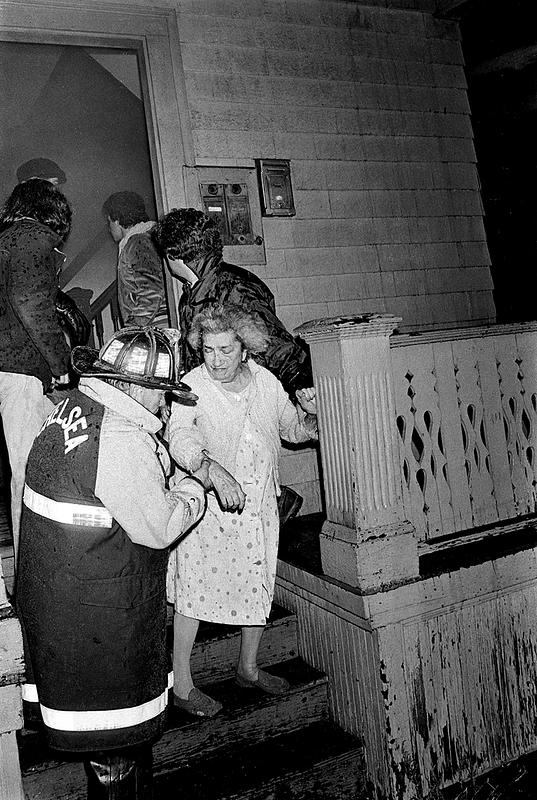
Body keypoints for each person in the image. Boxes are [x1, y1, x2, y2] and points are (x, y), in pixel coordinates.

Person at [16, 327, 207, 799]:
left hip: (61, 600)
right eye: (162, 395)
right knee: (116, 746)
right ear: (136, 387)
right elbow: (158, 526)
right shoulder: (118, 437)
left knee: (106, 745)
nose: (165, 407)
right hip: (97, 618)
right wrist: (192, 491)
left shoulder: (73, 406)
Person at [166, 303, 317, 717]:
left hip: (258, 506)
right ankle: (182, 684)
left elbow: (291, 428)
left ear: (245, 348)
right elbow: (178, 434)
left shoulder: (266, 382)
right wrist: (209, 467)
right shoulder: (192, 385)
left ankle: (248, 668)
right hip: (209, 506)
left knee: (258, 582)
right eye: (208, 349)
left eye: (225, 350)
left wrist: (312, 416)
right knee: (194, 591)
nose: (214, 360)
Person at [152, 208, 312, 397]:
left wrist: (302, 390)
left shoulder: (235, 288)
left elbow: (278, 349)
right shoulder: (192, 295)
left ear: (173, 256)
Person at [0, 178, 72, 562]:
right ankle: (33, 579)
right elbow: (31, 302)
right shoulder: (34, 239)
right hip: (17, 371)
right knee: (29, 476)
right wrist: (61, 363)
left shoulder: (6, 239)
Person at [102, 191, 169, 329]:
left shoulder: (138, 241)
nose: (109, 228)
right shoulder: (145, 237)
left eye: (109, 222)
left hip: (154, 326)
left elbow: (152, 291)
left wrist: (133, 329)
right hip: (154, 324)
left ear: (117, 220)